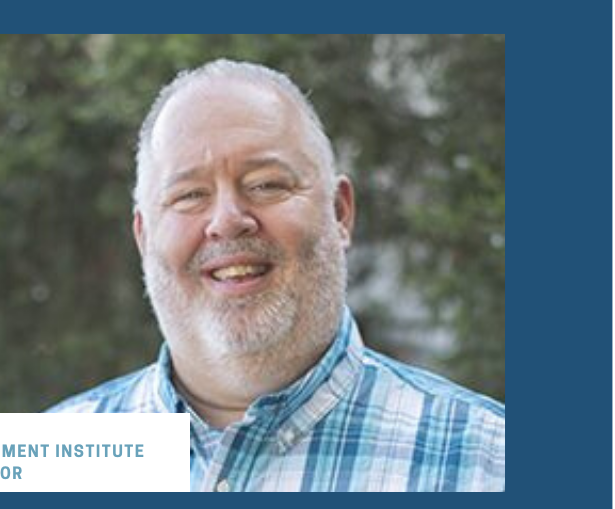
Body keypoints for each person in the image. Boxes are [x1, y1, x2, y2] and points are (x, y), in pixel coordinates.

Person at [48, 59, 505, 492]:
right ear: (144, 237)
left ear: (339, 212)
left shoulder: (489, 464)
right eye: (189, 195)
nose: (227, 220)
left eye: (267, 184)